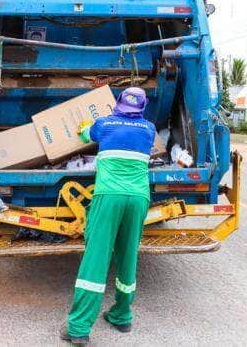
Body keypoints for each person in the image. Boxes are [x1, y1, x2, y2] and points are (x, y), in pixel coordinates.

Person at [60, 87, 156, 345]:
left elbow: (84, 135)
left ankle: (79, 328)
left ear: (118, 104)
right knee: (128, 256)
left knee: (96, 258)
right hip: (138, 198)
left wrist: (83, 126)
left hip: (109, 196)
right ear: (142, 107)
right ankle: (122, 315)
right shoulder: (149, 129)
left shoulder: (104, 123)